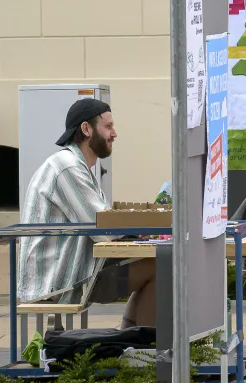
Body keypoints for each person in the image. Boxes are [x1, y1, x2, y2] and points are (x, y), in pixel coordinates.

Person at [17, 99, 158, 327]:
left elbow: (105, 223)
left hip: (71, 272)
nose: (114, 134)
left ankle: (129, 339)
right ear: (86, 129)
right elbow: (105, 229)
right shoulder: (68, 167)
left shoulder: (77, 165)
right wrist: (138, 232)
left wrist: (136, 233)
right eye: (108, 126)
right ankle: (137, 345)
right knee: (160, 265)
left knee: (157, 261)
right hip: (62, 280)